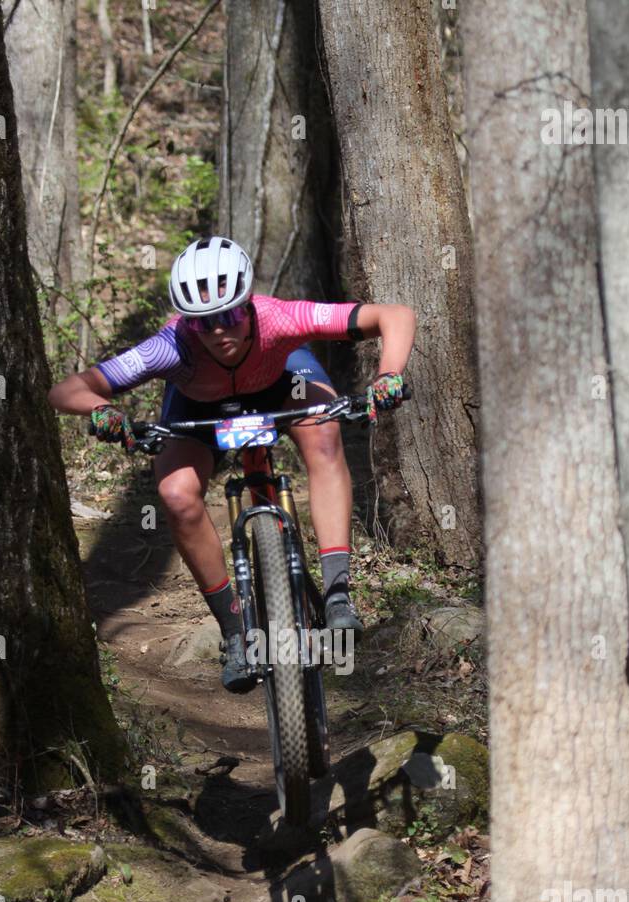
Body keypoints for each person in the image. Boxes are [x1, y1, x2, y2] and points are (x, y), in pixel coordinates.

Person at [48, 236, 416, 692]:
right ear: (189, 323)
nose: (220, 330)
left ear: (248, 306)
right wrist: (105, 412)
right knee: (176, 496)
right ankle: (235, 633)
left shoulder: (280, 317)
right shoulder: (171, 346)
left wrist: (388, 375)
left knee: (323, 436)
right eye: (205, 322)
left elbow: (394, 316)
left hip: (284, 384)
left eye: (231, 315)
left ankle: (339, 592)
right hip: (199, 407)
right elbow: (67, 391)